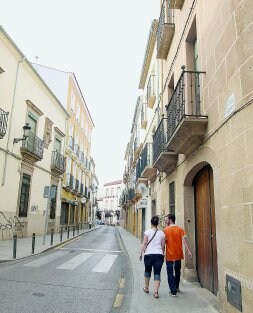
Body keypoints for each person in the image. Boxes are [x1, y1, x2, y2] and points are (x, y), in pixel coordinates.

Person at [163, 213, 192, 296]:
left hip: (169, 255)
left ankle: (173, 290)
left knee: (170, 273)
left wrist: (162, 253)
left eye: (166, 219)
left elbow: (163, 243)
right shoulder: (180, 229)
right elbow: (184, 241)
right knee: (177, 271)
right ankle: (177, 287)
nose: (165, 220)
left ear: (170, 219)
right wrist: (188, 251)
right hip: (178, 254)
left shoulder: (165, 230)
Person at [139, 216, 165, 299]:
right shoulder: (162, 233)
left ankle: (146, 288)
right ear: (157, 224)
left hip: (148, 255)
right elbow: (163, 245)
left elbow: (144, 243)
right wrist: (162, 254)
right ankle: (156, 292)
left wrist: (141, 253)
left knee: (147, 271)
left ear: (151, 223)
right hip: (159, 255)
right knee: (157, 273)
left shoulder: (147, 232)